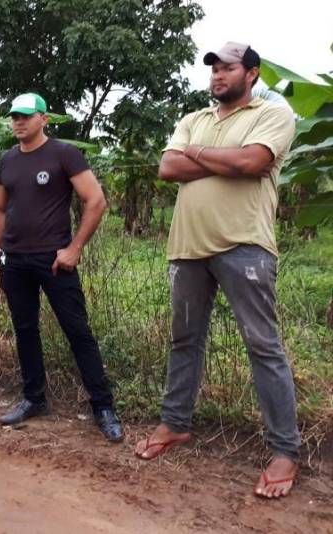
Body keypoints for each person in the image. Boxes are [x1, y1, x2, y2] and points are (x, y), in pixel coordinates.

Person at [134, 43, 301, 500]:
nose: (217, 76)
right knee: (185, 340)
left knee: (263, 346)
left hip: (244, 247)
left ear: (251, 73)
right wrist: (221, 157)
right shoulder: (195, 118)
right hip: (187, 248)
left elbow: (253, 162)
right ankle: (175, 424)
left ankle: (285, 450)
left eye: (227, 68)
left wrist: (200, 156)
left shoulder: (272, 115)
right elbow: (168, 167)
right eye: (214, 69)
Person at [0, 93, 124, 442]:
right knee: (25, 329)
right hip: (14, 260)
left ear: (44, 119)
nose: (18, 121)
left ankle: (103, 407)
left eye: (26, 116)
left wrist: (75, 248)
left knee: (77, 331)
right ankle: (34, 399)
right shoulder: (7, 160)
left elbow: (96, 200)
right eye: (14, 116)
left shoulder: (64, 154)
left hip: (54, 260)